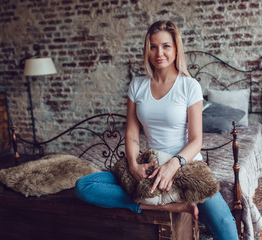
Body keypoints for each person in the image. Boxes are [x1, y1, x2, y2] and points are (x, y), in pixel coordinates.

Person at [75, 20, 239, 240]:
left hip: (186, 168)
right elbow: (132, 134)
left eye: (166, 46)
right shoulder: (137, 86)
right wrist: (133, 165)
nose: (159, 53)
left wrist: (173, 165)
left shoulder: (189, 86)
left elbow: (196, 140)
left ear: (176, 49)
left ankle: (166, 197)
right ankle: (162, 205)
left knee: (227, 230)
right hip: (151, 166)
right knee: (84, 186)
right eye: (153, 46)